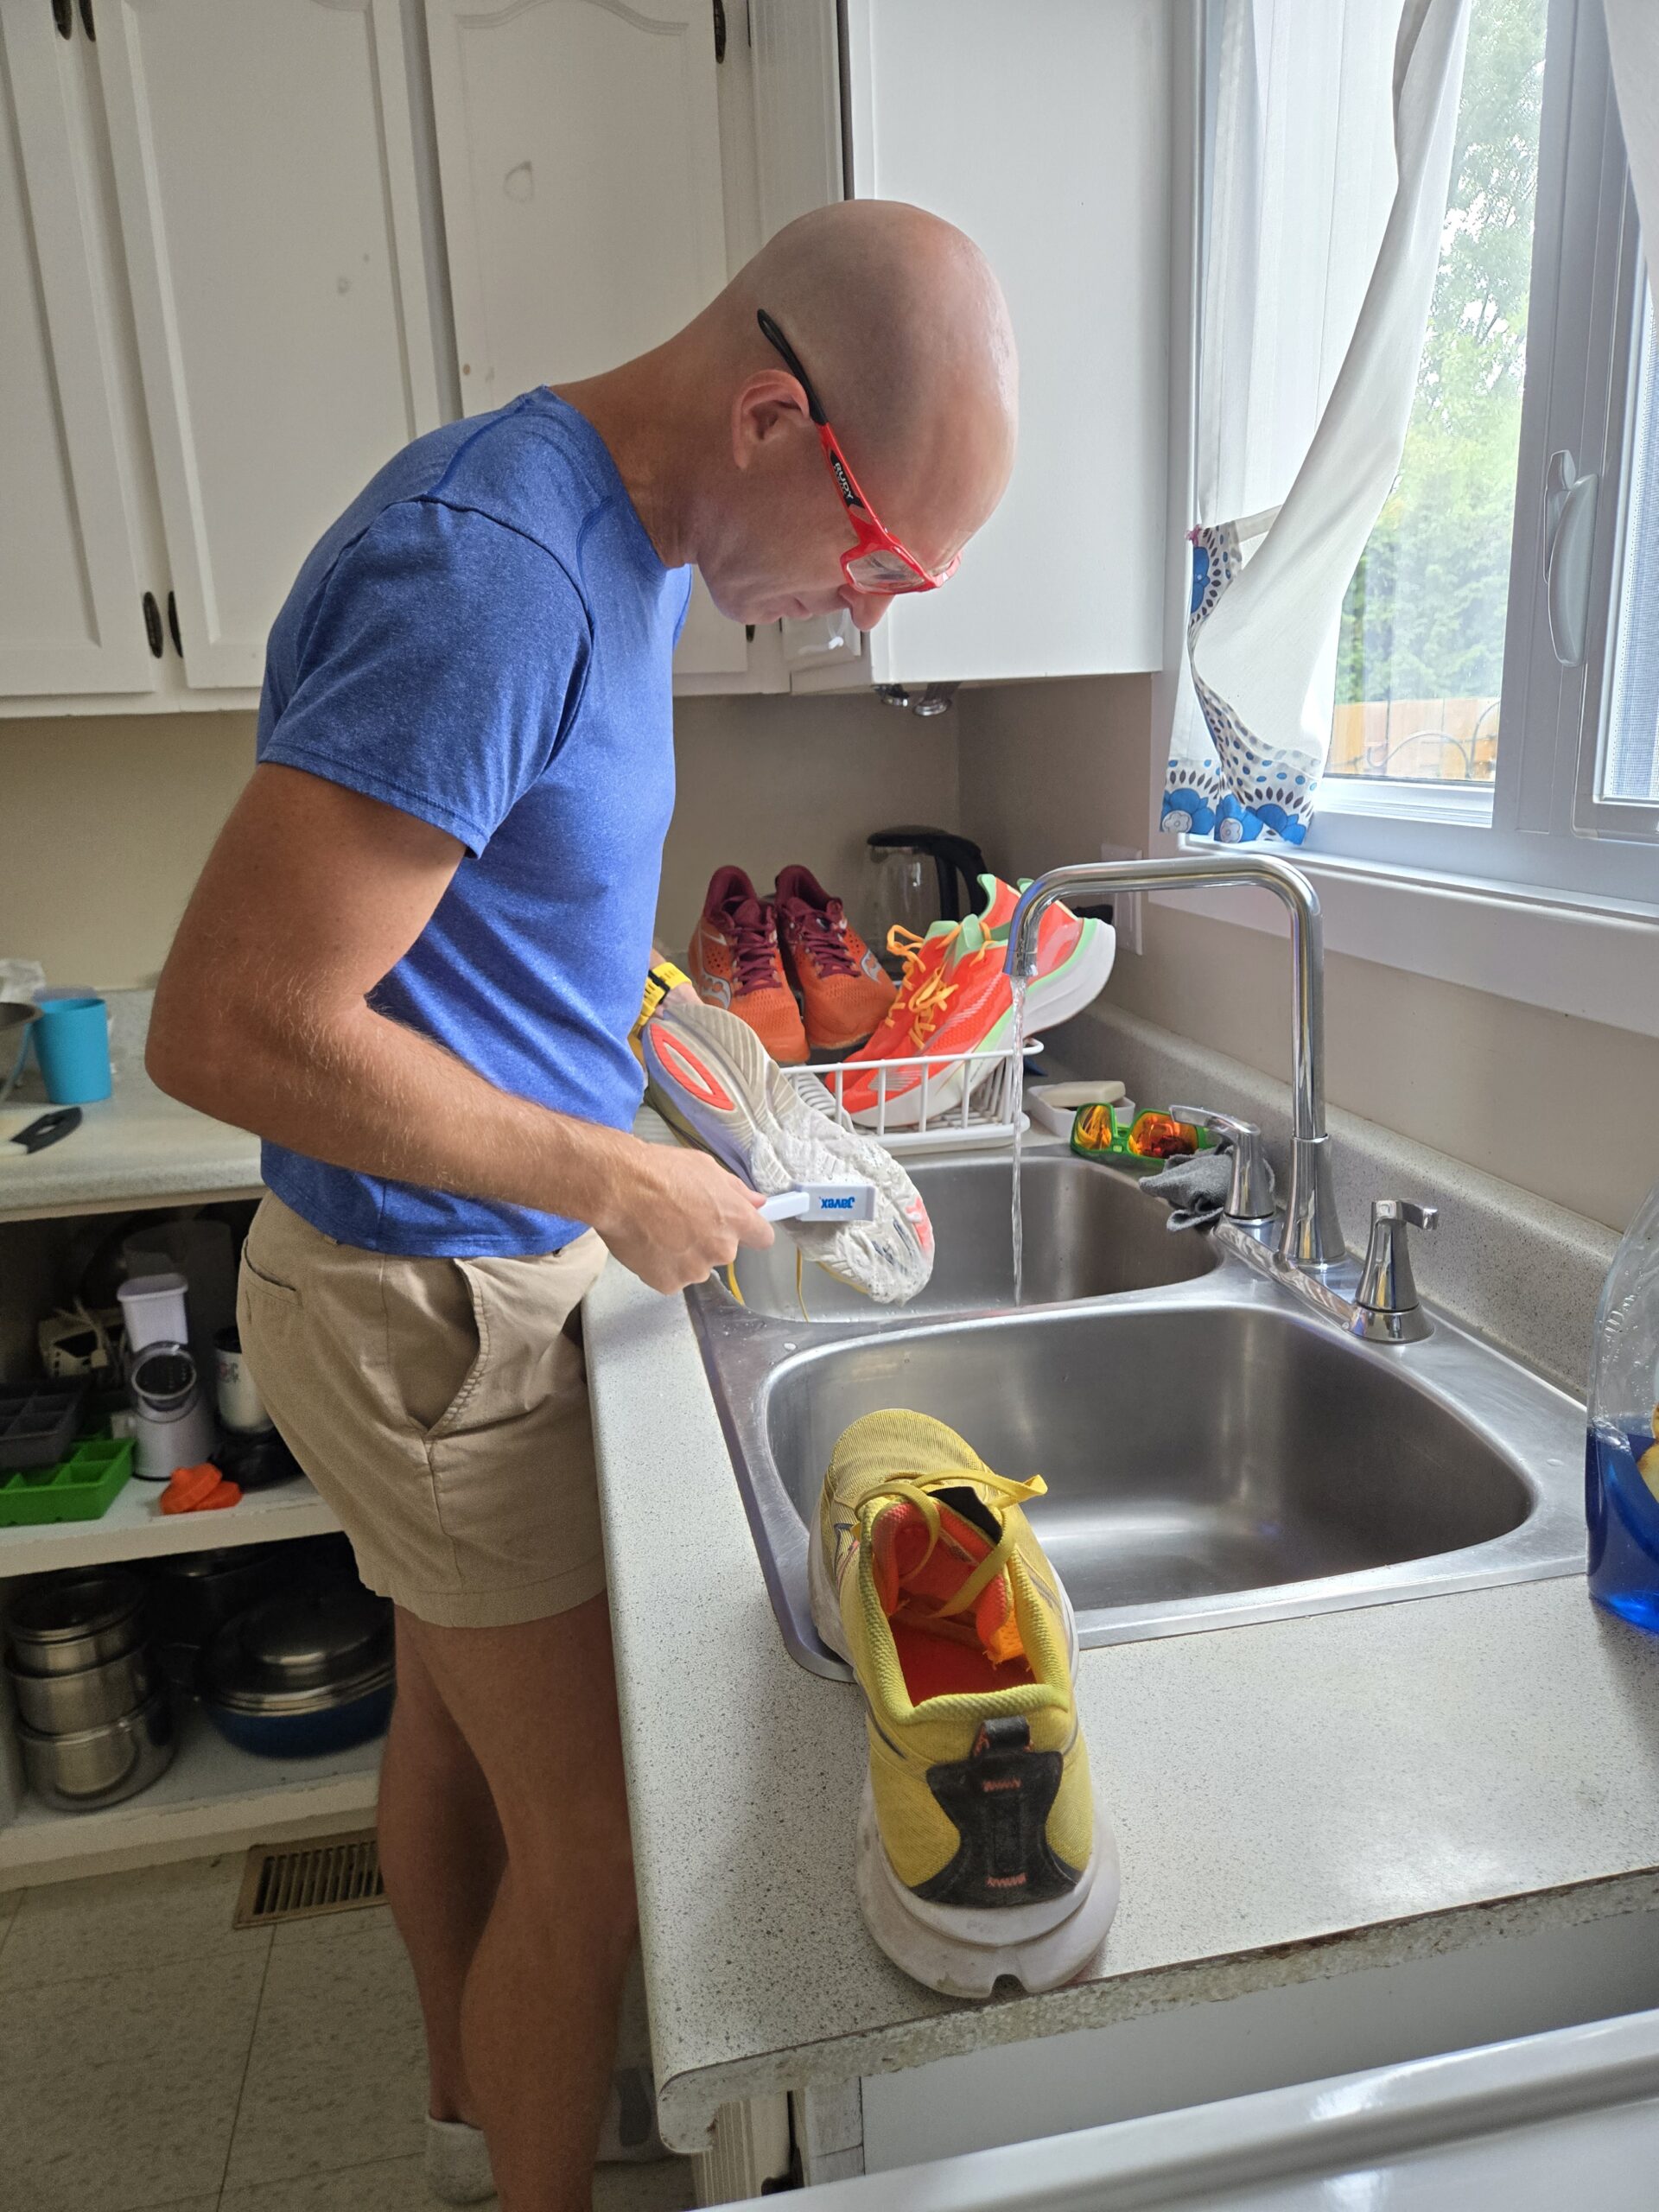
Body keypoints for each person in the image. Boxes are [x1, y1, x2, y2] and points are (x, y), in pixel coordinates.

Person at [147, 198, 1016, 2212]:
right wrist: (605, 1170)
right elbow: (233, 1018)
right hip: (429, 1302)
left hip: (422, 1277)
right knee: (600, 1846)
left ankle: (474, 2119)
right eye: (882, 553)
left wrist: (664, 1043)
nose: (866, 609)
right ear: (779, 417)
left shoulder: (603, 541)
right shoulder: (504, 572)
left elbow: (473, 921)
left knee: (456, 1745)